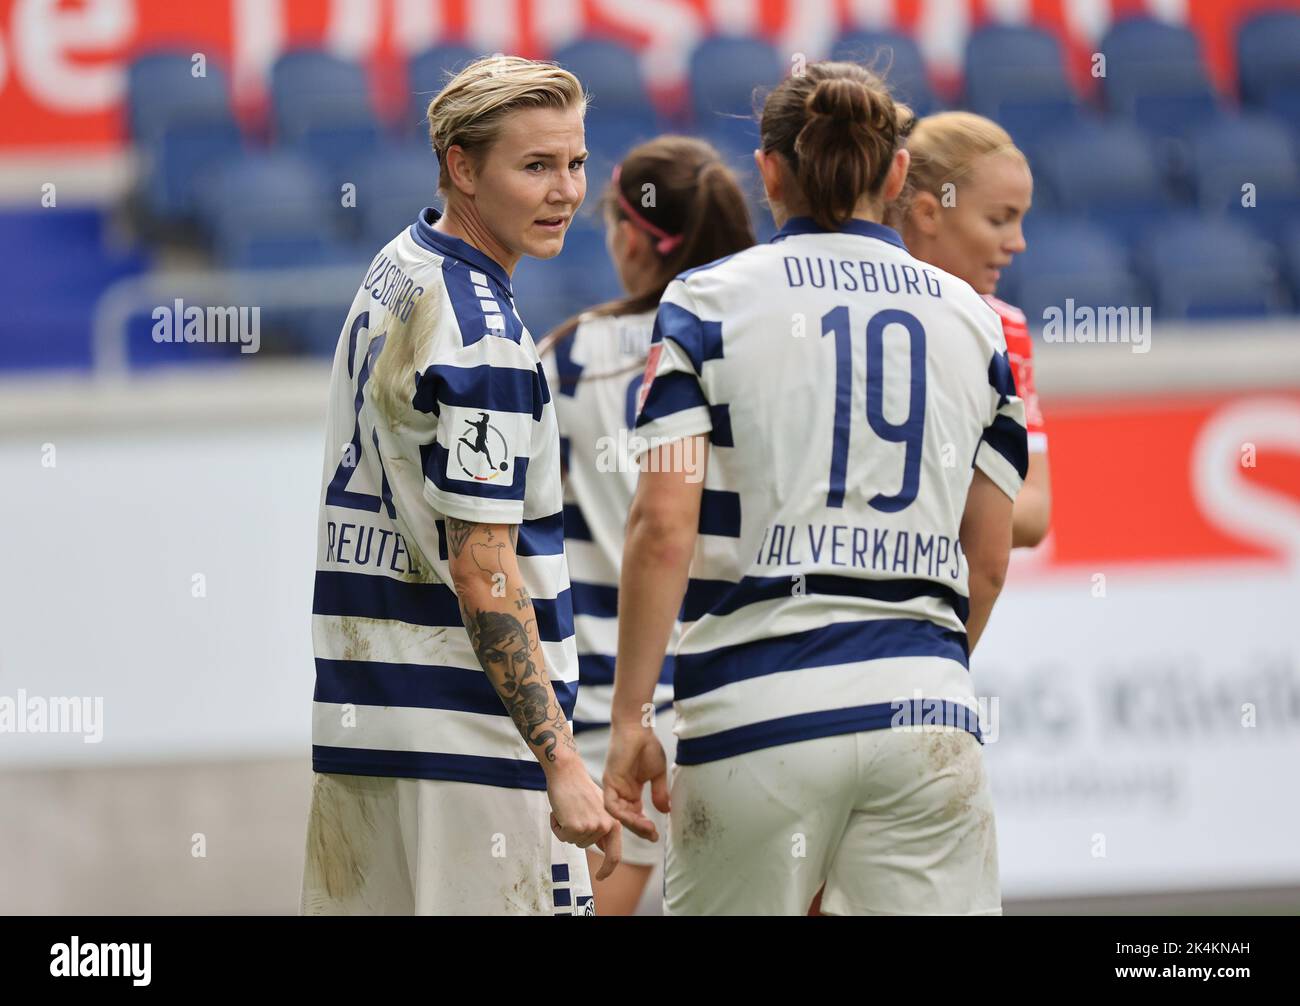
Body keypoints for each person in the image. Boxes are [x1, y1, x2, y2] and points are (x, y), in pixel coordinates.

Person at [602, 61, 1028, 915]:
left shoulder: (703, 302)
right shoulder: (979, 322)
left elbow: (662, 528)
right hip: (925, 709)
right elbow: (986, 562)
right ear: (900, 175)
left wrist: (629, 717)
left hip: (755, 716)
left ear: (768, 172)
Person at [300, 54, 619, 916]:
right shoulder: (484, 343)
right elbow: (483, 568)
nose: (564, 191)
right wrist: (561, 761)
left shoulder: (399, 263)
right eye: (535, 165)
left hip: (367, 722)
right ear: (462, 167)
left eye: (576, 163)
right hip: (470, 747)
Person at [539, 136, 755, 914]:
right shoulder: (755, 343)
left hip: (605, 713)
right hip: (737, 701)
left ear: (633, 234)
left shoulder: (567, 359)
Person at [889, 111, 1050, 546]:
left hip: (950, 609)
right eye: (999, 219)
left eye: (1020, 219)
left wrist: (900, 502)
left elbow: (1034, 511)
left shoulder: (1006, 329)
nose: (1018, 242)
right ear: (927, 212)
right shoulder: (849, 310)